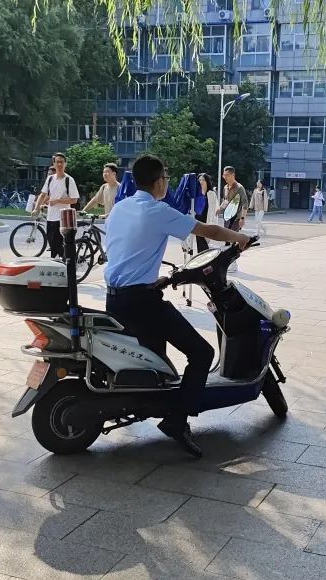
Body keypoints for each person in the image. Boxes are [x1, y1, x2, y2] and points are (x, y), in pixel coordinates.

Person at [104, 155, 250, 456]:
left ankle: (154, 404)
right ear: (159, 181)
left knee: (158, 358)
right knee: (202, 353)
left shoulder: (120, 207)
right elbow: (210, 231)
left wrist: (152, 278)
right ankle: (177, 420)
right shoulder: (157, 210)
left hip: (115, 298)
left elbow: (128, 249)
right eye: (166, 179)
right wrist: (240, 238)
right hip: (142, 302)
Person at [36, 153, 80, 259]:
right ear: (54, 164)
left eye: (61, 162)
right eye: (57, 162)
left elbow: (74, 199)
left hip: (64, 219)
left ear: (65, 164)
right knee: (52, 244)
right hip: (51, 217)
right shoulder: (50, 179)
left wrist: (57, 201)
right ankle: (61, 263)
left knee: (59, 246)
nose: (59, 164)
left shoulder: (69, 180)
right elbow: (43, 194)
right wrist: (36, 208)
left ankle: (64, 264)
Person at [219, 166, 248, 273]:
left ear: (233, 175)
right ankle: (229, 263)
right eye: (224, 175)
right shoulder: (225, 187)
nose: (224, 177)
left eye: (226, 175)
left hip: (236, 219)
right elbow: (225, 201)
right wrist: (219, 208)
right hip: (227, 218)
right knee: (226, 240)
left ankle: (233, 263)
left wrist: (242, 218)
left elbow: (245, 203)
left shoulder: (239, 188)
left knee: (232, 240)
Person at [194, 173, 219, 253]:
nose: (201, 182)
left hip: (207, 220)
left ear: (207, 181)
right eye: (199, 180)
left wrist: (213, 222)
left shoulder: (211, 194)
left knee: (204, 240)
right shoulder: (196, 194)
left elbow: (215, 209)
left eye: (203, 180)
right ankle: (203, 256)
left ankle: (204, 256)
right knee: (200, 239)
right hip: (197, 220)